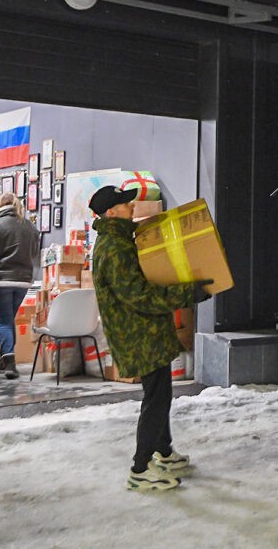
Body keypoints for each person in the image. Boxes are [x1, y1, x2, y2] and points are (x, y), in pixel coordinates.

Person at [88, 185, 214, 492]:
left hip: (145, 332)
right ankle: (140, 468)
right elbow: (140, 296)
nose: (131, 206)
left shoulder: (120, 242)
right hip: (138, 335)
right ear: (110, 213)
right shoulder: (114, 249)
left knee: (161, 393)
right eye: (124, 203)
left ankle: (164, 451)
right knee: (156, 399)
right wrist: (187, 293)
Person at [0, 193, 40, 379]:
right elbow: (35, 254)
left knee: (4, 320)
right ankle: (5, 358)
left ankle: (10, 363)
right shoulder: (31, 227)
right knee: (8, 319)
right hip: (24, 280)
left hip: (2, 279)